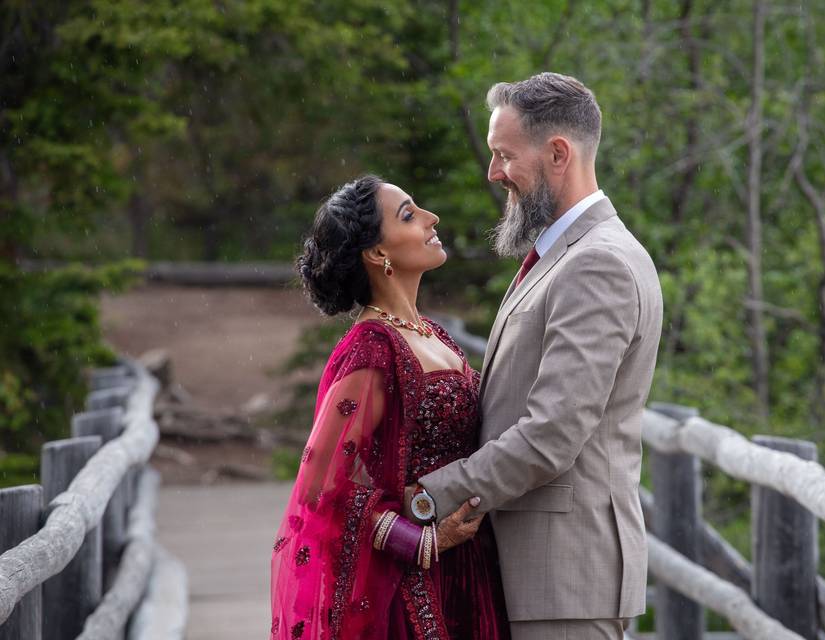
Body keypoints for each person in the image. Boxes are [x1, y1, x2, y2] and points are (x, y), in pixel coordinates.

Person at [410, 73, 663, 640]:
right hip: (538, 573)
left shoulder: (597, 264)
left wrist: (428, 497)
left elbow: (552, 433)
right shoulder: (562, 256)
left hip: (565, 579)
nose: (493, 172)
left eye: (504, 155)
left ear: (557, 154)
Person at [269, 175, 511, 639]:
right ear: (378, 254)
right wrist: (423, 541)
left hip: (470, 570)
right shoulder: (372, 349)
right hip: (416, 587)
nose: (430, 218)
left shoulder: (433, 334)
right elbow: (324, 489)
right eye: (408, 214)